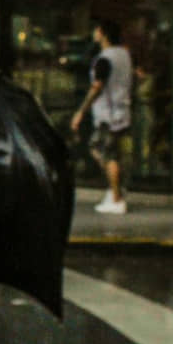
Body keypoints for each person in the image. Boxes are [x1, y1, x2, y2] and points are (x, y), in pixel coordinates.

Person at [70, 20, 132, 214]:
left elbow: (97, 86)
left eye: (97, 30)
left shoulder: (104, 59)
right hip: (122, 111)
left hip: (108, 115)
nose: (94, 33)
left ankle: (117, 198)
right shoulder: (124, 54)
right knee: (111, 153)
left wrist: (81, 111)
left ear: (103, 34)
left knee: (102, 151)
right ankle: (115, 191)